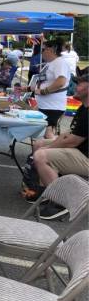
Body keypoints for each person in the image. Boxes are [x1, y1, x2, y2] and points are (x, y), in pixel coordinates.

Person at [31, 71, 88, 220]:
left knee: (41, 155)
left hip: (85, 156)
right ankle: (47, 193)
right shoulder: (84, 107)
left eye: (80, 83)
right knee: (39, 144)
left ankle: (60, 203)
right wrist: (50, 143)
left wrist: (48, 149)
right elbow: (69, 135)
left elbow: (72, 141)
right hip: (81, 149)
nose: (75, 86)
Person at [34, 39, 70, 139]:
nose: (42, 52)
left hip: (53, 106)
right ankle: (43, 152)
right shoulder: (51, 63)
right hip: (46, 105)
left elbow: (61, 82)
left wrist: (43, 91)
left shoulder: (60, 62)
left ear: (51, 50)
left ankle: (52, 153)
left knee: (48, 133)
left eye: (43, 50)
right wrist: (28, 89)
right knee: (45, 132)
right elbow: (45, 82)